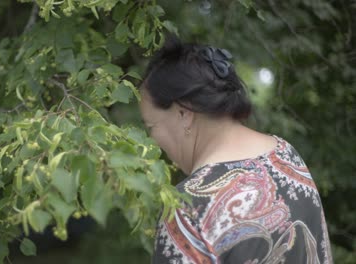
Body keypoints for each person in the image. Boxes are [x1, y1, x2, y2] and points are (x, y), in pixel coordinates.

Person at [139, 36, 333, 264]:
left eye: (152, 126)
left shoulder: (189, 209)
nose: (152, 139)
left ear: (184, 114)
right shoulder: (286, 155)